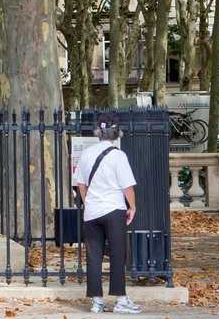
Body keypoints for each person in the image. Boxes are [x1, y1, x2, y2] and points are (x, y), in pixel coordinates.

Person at [73, 110, 142, 314]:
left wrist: (89, 203)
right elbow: (127, 186)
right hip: (113, 210)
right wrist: (132, 207)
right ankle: (120, 299)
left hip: (92, 212)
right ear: (116, 133)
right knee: (118, 253)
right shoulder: (118, 156)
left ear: (98, 132)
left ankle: (97, 301)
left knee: (94, 256)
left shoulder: (86, 154)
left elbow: (81, 184)